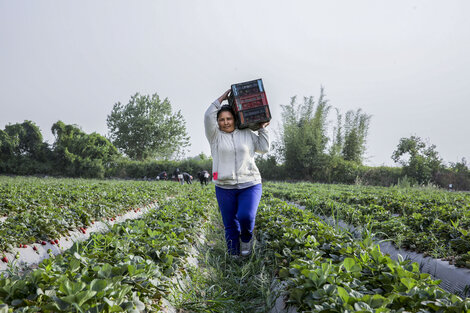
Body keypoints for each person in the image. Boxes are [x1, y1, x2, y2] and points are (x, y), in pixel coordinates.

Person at [204, 89, 270, 257]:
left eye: (229, 118)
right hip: (224, 186)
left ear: (235, 119)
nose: (225, 122)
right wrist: (221, 98)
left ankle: (247, 238)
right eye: (221, 120)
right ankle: (234, 256)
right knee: (230, 224)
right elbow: (207, 116)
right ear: (217, 123)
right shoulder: (215, 136)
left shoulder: (246, 133)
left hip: (250, 183)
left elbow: (263, 148)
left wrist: (262, 129)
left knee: (246, 216)